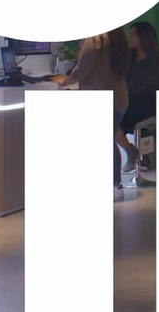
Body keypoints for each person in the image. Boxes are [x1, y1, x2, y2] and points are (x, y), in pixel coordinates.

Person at [52, 28, 133, 191]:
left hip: (99, 95)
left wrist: (65, 81)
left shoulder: (95, 40)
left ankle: (114, 184)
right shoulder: (118, 37)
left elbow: (82, 70)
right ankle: (115, 184)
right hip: (119, 97)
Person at [122, 20, 159, 171]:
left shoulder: (154, 61)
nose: (131, 38)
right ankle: (130, 150)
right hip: (132, 101)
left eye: (134, 34)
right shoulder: (131, 58)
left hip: (147, 103)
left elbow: (137, 86)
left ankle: (131, 152)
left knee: (113, 116)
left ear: (144, 37)